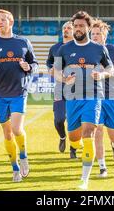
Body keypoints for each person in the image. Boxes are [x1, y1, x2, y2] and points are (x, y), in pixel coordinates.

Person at [54, 11, 114, 190]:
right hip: (72, 98)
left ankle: (84, 179)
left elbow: (111, 70)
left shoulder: (98, 48)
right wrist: (64, 79)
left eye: (81, 26)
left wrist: (102, 74)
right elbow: (56, 70)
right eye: (75, 26)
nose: (78, 29)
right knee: (75, 137)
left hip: (93, 96)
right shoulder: (64, 49)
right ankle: (75, 143)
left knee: (89, 132)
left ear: (88, 27)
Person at [0, 9, 37, 182]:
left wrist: (29, 67)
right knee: (7, 133)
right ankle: (15, 168)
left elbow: (34, 63)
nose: (0, 22)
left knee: (16, 128)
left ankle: (24, 156)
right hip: (0, 94)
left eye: (3, 19)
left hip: (19, 92)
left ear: (11, 22)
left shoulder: (23, 42)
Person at [90, 19, 114, 177]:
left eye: (99, 34)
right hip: (93, 95)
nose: (96, 36)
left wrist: (110, 76)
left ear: (105, 36)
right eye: (93, 34)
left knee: (113, 133)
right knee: (97, 131)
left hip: (111, 96)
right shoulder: (87, 51)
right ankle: (102, 167)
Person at [46, 21, 74, 155]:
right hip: (60, 88)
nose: (66, 30)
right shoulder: (55, 48)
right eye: (64, 28)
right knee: (59, 120)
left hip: (77, 88)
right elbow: (49, 64)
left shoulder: (79, 47)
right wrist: (50, 70)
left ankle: (73, 148)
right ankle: (62, 137)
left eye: (69, 28)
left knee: (75, 119)